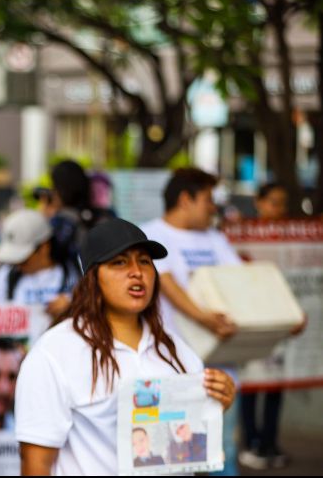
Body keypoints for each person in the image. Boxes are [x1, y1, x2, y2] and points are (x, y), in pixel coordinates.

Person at [15, 218, 236, 475]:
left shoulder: (178, 352)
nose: (136, 272)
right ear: (92, 278)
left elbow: (193, 462)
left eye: (144, 261)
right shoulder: (54, 354)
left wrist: (212, 406)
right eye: (119, 262)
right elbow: (36, 463)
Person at [140, 168, 242, 475]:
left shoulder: (214, 238)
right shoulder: (152, 234)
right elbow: (167, 284)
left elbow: (240, 280)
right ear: (186, 199)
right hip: (170, 365)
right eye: (208, 199)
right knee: (170, 456)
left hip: (219, 364)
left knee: (223, 452)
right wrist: (206, 319)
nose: (213, 207)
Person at [238, 182, 293, 471]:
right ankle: (251, 441)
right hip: (251, 320)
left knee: (275, 384)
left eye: (282, 203)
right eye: (273, 202)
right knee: (251, 384)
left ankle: (270, 441)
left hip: (279, 319)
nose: (278, 209)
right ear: (259, 202)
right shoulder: (242, 235)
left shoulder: (290, 238)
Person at [0, 209, 76, 318]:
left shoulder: (74, 273)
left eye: (23, 259)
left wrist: (73, 306)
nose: (17, 264)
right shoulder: (5, 276)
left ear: (44, 247)